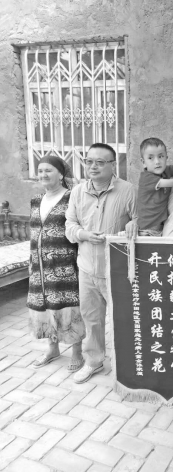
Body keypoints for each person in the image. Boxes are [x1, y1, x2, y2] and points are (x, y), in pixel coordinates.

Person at [66, 143, 137, 383]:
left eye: (100, 162)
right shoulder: (78, 192)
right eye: (89, 161)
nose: (93, 166)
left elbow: (141, 221)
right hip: (87, 267)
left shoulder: (127, 190)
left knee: (123, 320)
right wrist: (83, 234)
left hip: (117, 269)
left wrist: (133, 224)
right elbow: (69, 225)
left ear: (113, 165)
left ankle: (126, 365)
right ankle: (93, 361)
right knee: (91, 319)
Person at [27, 155, 85, 372]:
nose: (43, 174)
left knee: (70, 307)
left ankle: (77, 352)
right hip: (39, 267)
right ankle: (53, 349)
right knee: (45, 306)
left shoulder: (71, 197)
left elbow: (77, 227)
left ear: (61, 174)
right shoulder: (36, 200)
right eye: (40, 170)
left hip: (65, 265)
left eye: (48, 170)